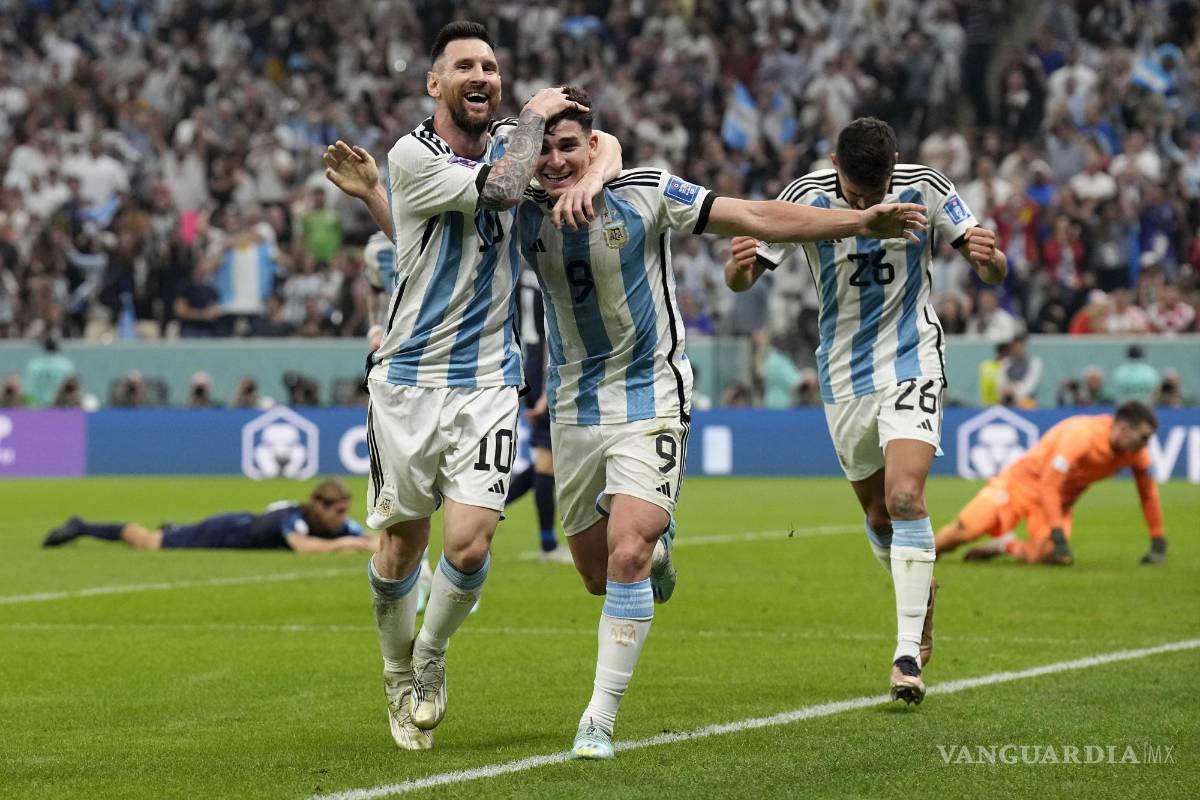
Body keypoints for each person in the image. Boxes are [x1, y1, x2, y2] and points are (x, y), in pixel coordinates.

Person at [511, 92, 926, 757]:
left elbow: (756, 214)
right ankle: (660, 554)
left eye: (572, 146)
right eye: (545, 148)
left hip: (652, 394)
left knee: (627, 553)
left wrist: (854, 223)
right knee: (595, 573)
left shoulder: (647, 191)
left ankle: (598, 720)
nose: (557, 159)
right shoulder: (516, 213)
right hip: (573, 407)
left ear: (596, 146)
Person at [321, 21, 622, 751]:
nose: (480, 73)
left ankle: (427, 657)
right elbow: (504, 188)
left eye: (490, 64)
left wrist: (592, 153)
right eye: (464, 66)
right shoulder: (410, 153)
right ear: (435, 84)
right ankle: (397, 671)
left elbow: (597, 148)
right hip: (407, 383)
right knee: (399, 552)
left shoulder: (509, 145)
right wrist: (534, 114)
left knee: (468, 544)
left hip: (488, 380)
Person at [725, 117, 1007, 706]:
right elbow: (741, 280)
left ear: (893, 166)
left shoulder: (925, 185)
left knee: (907, 499)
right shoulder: (803, 197)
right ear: (836, 166)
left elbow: (990, 265)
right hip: (843, 372)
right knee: (880, 518)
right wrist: (740, 267)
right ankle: (919, 594)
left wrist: (988, 261)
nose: (866, 202)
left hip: (912, 355)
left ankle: (907, 651)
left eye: (875, 193)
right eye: (856, 195)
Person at [935, 402, 1166, 566]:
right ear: (1124, 428)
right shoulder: (1081, 435)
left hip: (1055, 503)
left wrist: (1157, 538)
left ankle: (1005, 545)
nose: (1146, 445)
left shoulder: (1135, 453)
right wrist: (1057, 531)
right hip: (1018, 486)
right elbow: (1049, 484)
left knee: (1050, 555)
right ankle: (917, 554)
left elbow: (1148, 495)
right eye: (1144, 437)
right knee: (964, 531)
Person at [42, 479, 374, 553]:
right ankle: (82, 526)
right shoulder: (295, 520)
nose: (344, 518)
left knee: (168, 534)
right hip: (226, 532)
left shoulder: (335, 523)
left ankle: (177, 528)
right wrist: (355, 545)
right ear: (319, 506)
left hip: (240, 525)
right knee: (150, 542)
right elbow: (304, 547)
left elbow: (365, 536)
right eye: (339, 511)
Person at [504, 265, 571, 563]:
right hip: (545, 369)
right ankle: (548, 545)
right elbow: (548, 333)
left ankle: (485, 509)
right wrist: (546, 391)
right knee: (548, 463)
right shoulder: (545, 266)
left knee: (549, 464)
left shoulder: (518, 269)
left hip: (530, 363)